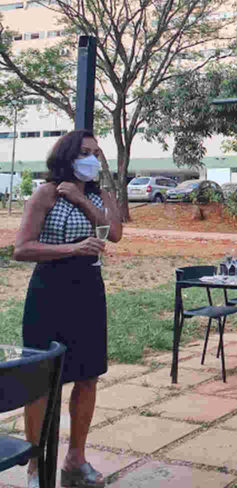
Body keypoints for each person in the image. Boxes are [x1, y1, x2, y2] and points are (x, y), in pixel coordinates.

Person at [14, 130, 122, 488]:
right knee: (42, 381)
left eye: (95, 153)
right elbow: (22, 248)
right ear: (67, 156)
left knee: (88, 376)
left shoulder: (100, 195)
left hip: (88, 291)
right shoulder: (46, 193)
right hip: (49, 291)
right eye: (84, 152)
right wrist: (72, 249)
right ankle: (35, 467)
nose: (91, 159)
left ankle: (75, 461)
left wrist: (81, 199)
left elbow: (114, 233)